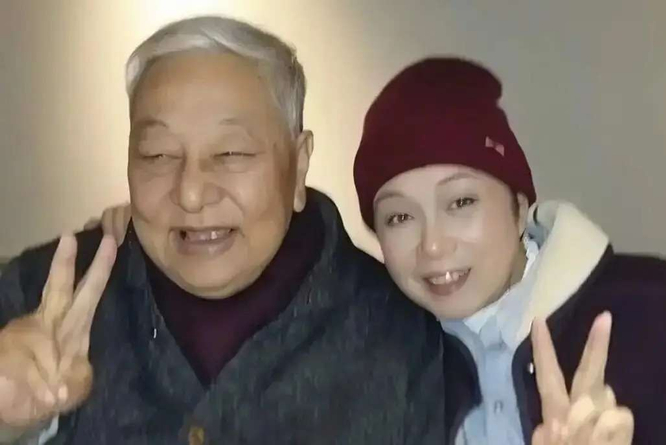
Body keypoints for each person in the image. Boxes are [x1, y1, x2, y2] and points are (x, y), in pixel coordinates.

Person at [0, 17, 447, 444]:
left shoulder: (401, 335)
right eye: (158, 155)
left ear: (298, 167)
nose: (191, 194)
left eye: (231, 153)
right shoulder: (35, 297)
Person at [352, 58, 666, 444]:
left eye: (461, 202)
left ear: (519, 209)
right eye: (400, 217)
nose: (433, 245)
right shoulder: (383, 365)